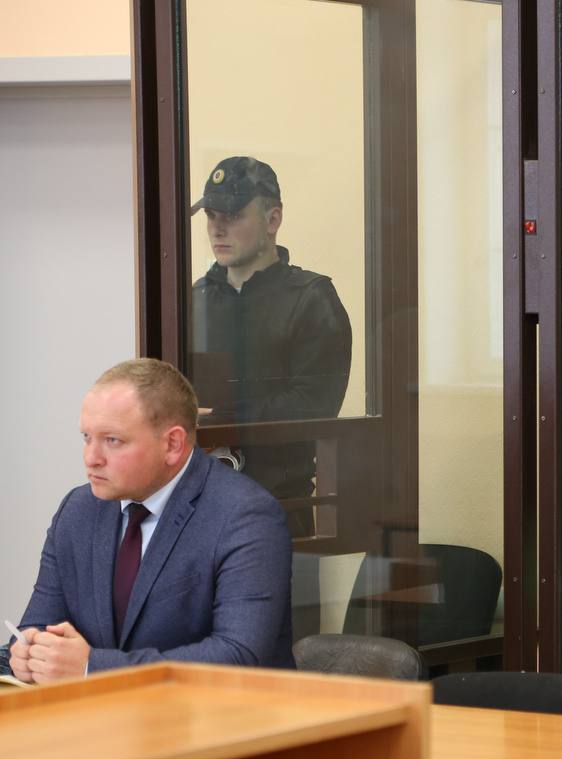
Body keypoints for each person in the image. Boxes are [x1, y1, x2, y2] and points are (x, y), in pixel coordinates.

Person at [7, 359, 294, 684]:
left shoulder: (245, 516)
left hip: (221, 712)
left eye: (112, 440)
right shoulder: (78, 510)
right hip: (99, 713)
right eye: (87, 437)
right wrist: (28, 654)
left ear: (172, 444)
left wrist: (91, 668)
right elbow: (38, 625)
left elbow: (238, 655)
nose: (91, 457)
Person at [189, 155, 352, 536]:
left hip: (280, 506)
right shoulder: (195, 299)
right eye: (211, 215)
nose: (217, 228)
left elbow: (314, 405)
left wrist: (222, 418)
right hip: (201, 503)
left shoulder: (311, 298)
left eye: (232, 215)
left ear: (273, 219)